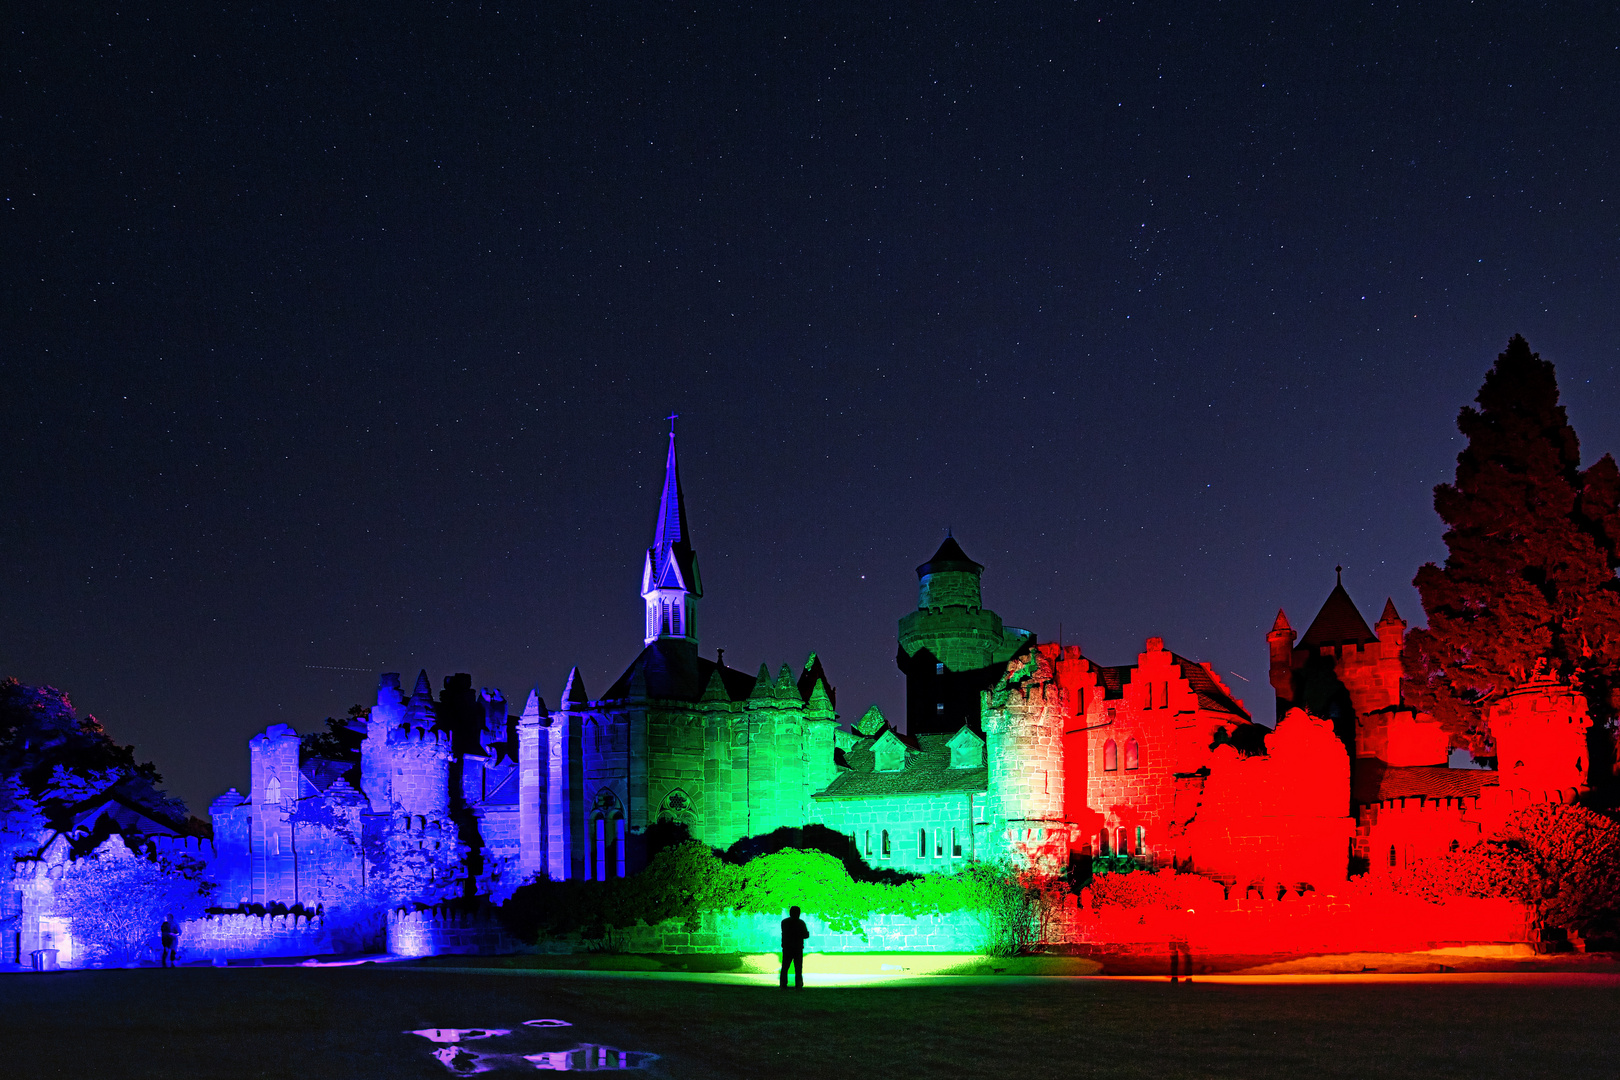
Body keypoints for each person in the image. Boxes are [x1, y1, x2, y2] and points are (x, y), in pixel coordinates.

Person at [779, 905, 809, 988]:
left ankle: (783, 983)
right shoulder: (801, 923)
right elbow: (805, 935)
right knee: (798, 967)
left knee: (785, 966)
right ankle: (798, 984)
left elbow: (784, 933)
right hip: (797, 947)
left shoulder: (784, 922)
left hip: (787, 947)